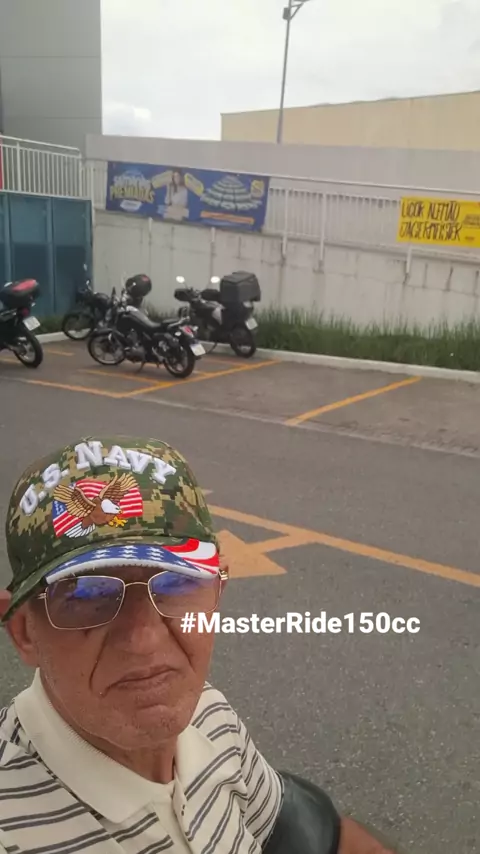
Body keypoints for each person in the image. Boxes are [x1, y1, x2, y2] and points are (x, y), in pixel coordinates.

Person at [0, 435, 400, 853]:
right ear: (25, 631)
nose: (143, 639)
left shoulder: (209, 716)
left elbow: (301, 833)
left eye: (177, 582)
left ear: (217, 594)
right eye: (87, 594)